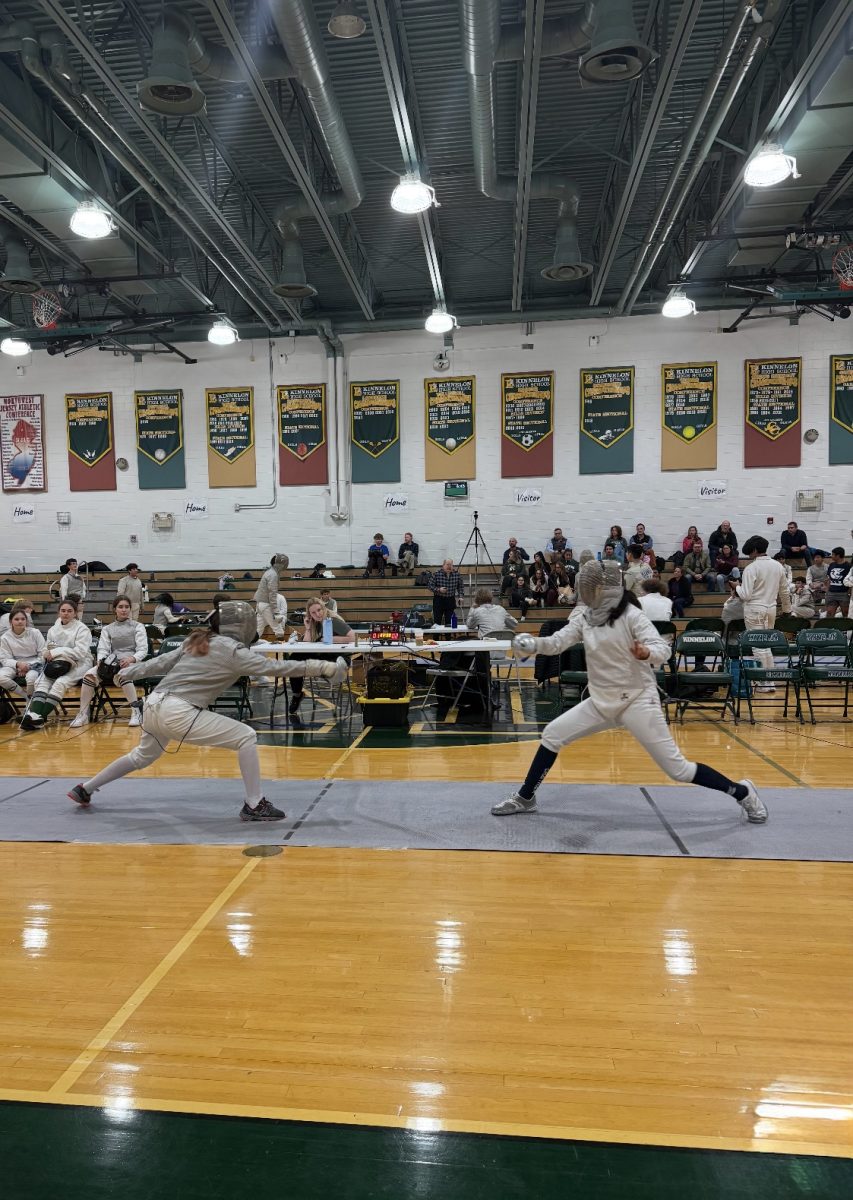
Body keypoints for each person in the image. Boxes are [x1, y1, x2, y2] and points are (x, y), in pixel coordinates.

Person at [491, 560, 766, 822]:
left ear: (605, 588)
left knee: (678, 770)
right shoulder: (586, 617)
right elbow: (556, 643)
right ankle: (526, 798)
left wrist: (645, 651)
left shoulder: (632, 616)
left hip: (637, 701)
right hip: (601, 702)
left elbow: (663, 649)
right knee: (552, 734)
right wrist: (532, 645)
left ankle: (743, 792)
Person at [66, 602, 348, 821]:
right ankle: (255, 804)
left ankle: (86, 788)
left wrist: (128, 673)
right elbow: (277, 668)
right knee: (246, 736)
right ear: (240, 626)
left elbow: (161, 662)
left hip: (153, 705)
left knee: (141, 756)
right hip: (178, 712)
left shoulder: (197, 640)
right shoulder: (233, 650)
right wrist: (322, 667)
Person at [70, 596, 148, 728]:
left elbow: (143, 649)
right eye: (120, 607)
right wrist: (101, 661)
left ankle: (136, 712)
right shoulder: (108, 629)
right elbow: (103, 648)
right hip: (111, 662)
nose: (124, 610)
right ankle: (83, 714)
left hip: (132, 662)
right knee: (89, 674)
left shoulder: (138, 626)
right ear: (115, 610)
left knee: (123, 674)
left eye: (126, 607)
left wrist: (131, 659)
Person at [20, 598, 92, 731]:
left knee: (60, 683)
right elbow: (48, 649)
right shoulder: (54, 629)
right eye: (63, 611)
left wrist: (57, 651)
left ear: (75, 613)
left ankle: (39, 717)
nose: (66, 613)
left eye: (69, 611)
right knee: (42, 681)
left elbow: (80, 653)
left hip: (80, 663)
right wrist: (46, 654)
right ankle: (35, 716)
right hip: (56, 663)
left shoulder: (82, 629)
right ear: (59, 612)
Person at [736, 535, 792, 689]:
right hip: (771, 609)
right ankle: (770, 681)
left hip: (754, 609)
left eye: (749, 552)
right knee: (766, 646)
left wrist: (736, 587)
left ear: (754, 550)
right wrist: (787, 609)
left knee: (758, 647)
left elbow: (745, 595)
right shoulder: (778, 566)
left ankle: (763, 682)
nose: (748, 555)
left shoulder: (751, 568)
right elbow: (785, 591)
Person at [287, 597, 355, 719]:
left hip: (338, 657)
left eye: (319, 610)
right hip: (323, 655)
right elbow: (306, 644)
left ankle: (336, 672)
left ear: (323, 608)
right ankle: (297, 695)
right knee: (295, 657)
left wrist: (331, 640)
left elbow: (352, 637)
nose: (317, 614)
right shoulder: (315, 624)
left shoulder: (333, 620)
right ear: (309, 614)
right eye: (313, 612)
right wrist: (307, 628)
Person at [0, 607, 45, 699]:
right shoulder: (5, 637)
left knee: (31, 678)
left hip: (35, 664)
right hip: (14, 664)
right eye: (16, 619)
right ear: (10, 622)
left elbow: (43, 654)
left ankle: (30, 705)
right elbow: (4, 659)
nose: (20, 621)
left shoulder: (35, 633)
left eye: (23, 619)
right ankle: (26, 697)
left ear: (26, 621)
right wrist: (18, 665)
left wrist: (28, 666)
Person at [253, 554, 289, 642]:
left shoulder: (269, 572)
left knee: (257, 630)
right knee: (279, 630)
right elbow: (272, 595)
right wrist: (276, 613)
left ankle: (248, 647)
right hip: (266, 605)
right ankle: (282, 654)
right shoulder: (273, 575)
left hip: (260, 605)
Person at [429, 558, 465, 626]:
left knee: (449, 622)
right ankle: (436, 637)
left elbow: (461, 587)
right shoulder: (436, 574)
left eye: (451, 565)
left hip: (450, 600)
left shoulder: (457, 574)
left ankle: (448, 637)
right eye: (447, 564)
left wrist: (460, 597)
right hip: (439, 600)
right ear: (443, 565)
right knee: (437, 622)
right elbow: (430, 586)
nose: (449, 566)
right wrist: (439, 589)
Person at [825, 547, 850, 617]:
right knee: (829, 613)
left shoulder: (848, 566)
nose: (831, 556)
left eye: (833, 554)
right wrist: (827, 590)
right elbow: (829, 579)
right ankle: (830, 628)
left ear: (838, 556)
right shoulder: (831, 565)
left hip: (843, 594)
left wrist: (848, 592)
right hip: (831, 593)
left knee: (846, 614)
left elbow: (851, 580)